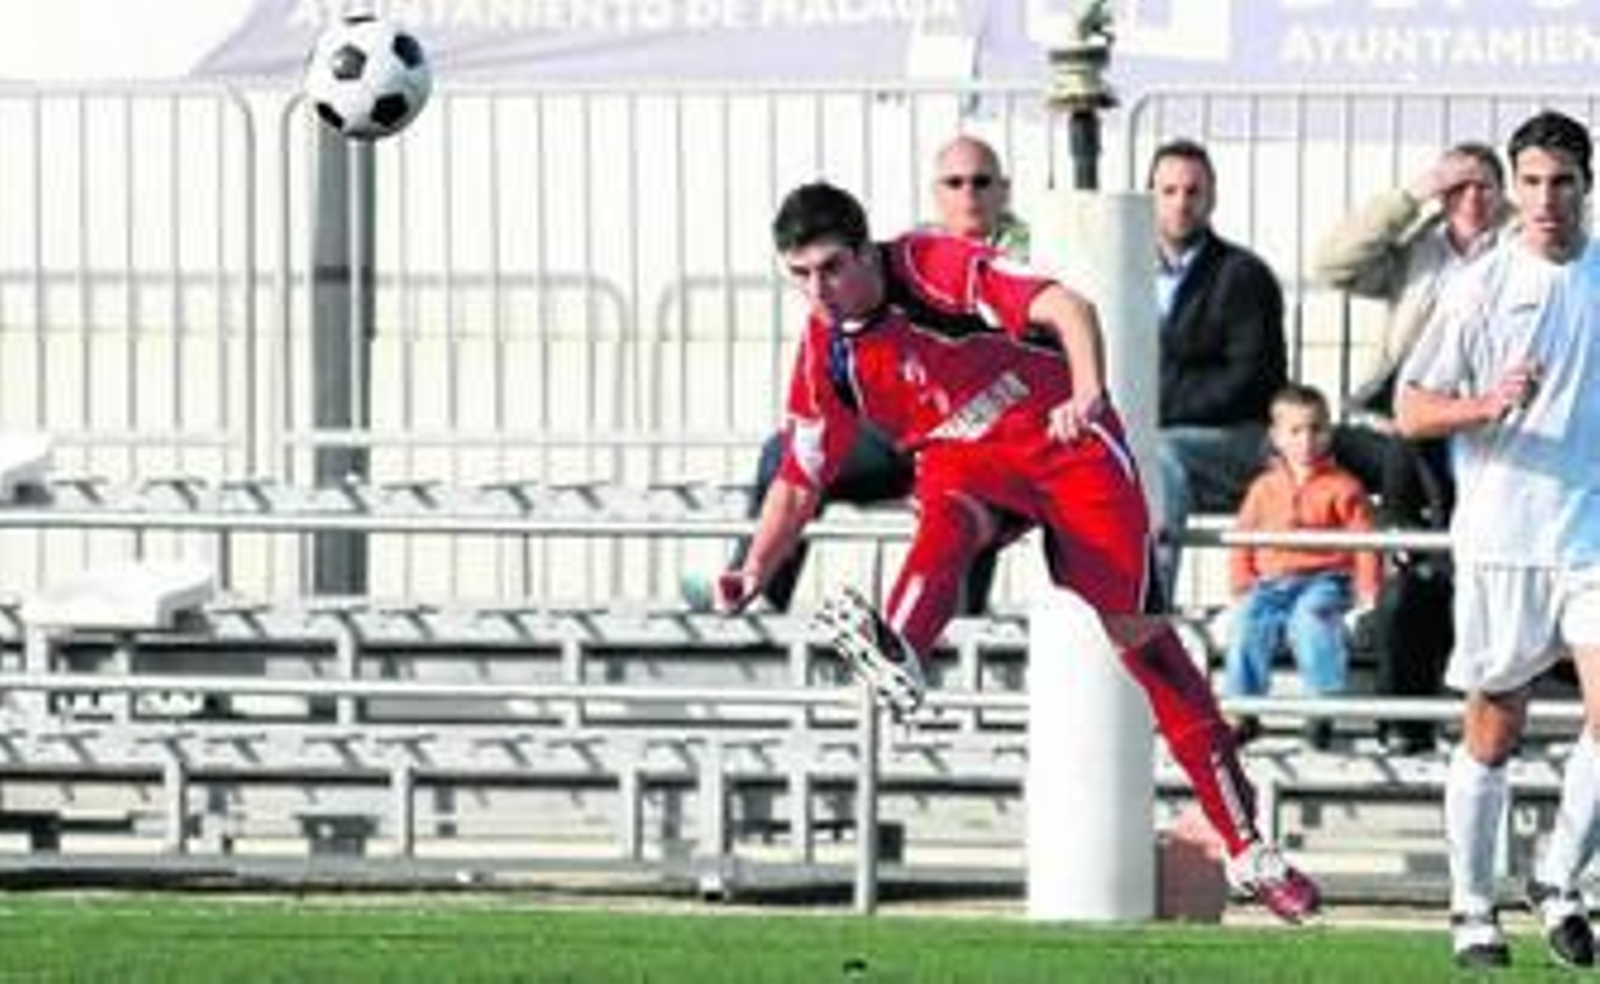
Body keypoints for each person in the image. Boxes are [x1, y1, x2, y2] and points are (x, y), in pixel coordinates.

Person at [708, 179, 1320, 922]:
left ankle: (1248, 847)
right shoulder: (824, 353)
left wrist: (1088, 392)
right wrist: (753, 564)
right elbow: (799, 478)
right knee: (945, 516)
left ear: (867, 251)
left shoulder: (928, 264)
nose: (818, 290)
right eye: (801, 275)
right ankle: (901, 649)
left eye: (831, 268)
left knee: (1145, 645)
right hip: (964, 460)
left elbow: (1070, 308)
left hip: (1064, 442)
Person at [1395, 109, 1600, 970]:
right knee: (1493, 730)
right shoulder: (1479, 286)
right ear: (1514, 188)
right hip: (1504, 536)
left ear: (1587, 185)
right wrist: (1486, 404)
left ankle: (1557, 876)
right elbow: (1411, 410)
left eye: (1563, 182)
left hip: (1590, 535)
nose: (1547, 199)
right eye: (1533, 182)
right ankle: (1472, 906)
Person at [686, 135, 1028, 615]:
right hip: (905, 433)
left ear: (1004, 191)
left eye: (980, 182)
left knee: (968, 475)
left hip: (991, 431)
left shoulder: (1029, 259)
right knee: (788, 453)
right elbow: (807, 462)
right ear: (936, 192)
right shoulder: (907, 259)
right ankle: (758, 588)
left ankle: (957, 620)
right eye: (954, 182)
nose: (968, 194)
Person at [1315, 142, 1511, 754]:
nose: (1471, 198)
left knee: (1422, 576)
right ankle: (1405, 545)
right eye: (1457, 187)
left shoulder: (1518, 253)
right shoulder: (1418, 253)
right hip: (1404, 419)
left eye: (1483, 185)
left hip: (1477, 424)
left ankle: (1410, 545)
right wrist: (1411, 195)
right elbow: (1333, 265)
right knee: (1321, 440)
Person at [1148, 139, 1289, 597]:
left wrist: (1156, 407)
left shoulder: (1243, 275)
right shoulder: (1124, 271)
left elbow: (1250, 380)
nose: (1181, 203)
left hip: (1238, 439)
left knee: (1159, 457)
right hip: (1151, 435)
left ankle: (1147, 611)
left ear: (1212, 198)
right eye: (1169, 191)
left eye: (1193, 191)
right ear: (1150, 196)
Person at [1224, 384, 1381, 749]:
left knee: (1311, 620)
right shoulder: (1264, 487)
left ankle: (1321, 705)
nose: (1307, 440)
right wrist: (1241, 581)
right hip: (1271, 582)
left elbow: (1366, 543)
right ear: (1276, 437)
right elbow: (1243, 536)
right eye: (1295, 431)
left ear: (1329, 432)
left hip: (1324, 580)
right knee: (1247, 622)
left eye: (1316, 429)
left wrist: (1368, 590)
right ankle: (1244, 710)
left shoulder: (1344, 487)